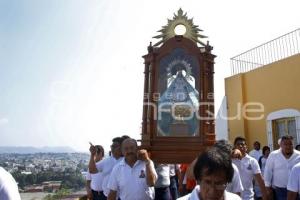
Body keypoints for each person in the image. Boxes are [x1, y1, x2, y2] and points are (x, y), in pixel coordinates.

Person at [264, 135, 300, 200]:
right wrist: (267, 188)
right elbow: (268, 171)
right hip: (279, 191)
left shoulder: (299, 155)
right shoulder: (273, 155)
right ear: (281, 145)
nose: (288, 146)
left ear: (293, 144)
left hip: (296, 191)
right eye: (285, 144)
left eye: (290, 144)